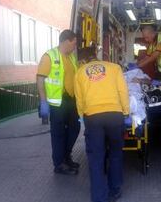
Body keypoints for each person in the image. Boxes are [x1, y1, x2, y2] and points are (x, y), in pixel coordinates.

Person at [74, 47, 130, 202]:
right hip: (115, 115)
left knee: (96, 158)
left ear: (83, 60)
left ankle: (99, 197)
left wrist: (81, 116)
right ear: (96, 57)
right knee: (116, 153)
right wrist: (126, 112)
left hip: (93, 117)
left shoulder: (80, 72)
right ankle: (115, 190)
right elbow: (123, 91)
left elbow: (79, 99)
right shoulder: (114, 68)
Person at [37, 29, 81, 175]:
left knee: (75, 128)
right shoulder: (49, 56)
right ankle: (59, 164)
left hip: (71, 99)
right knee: (58, 133)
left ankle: (66, 156)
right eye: (74, 43)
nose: (75, 47)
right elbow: (40, 79)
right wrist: (43, 102)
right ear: (66, 41)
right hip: (57, 102)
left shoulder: (71, 57)